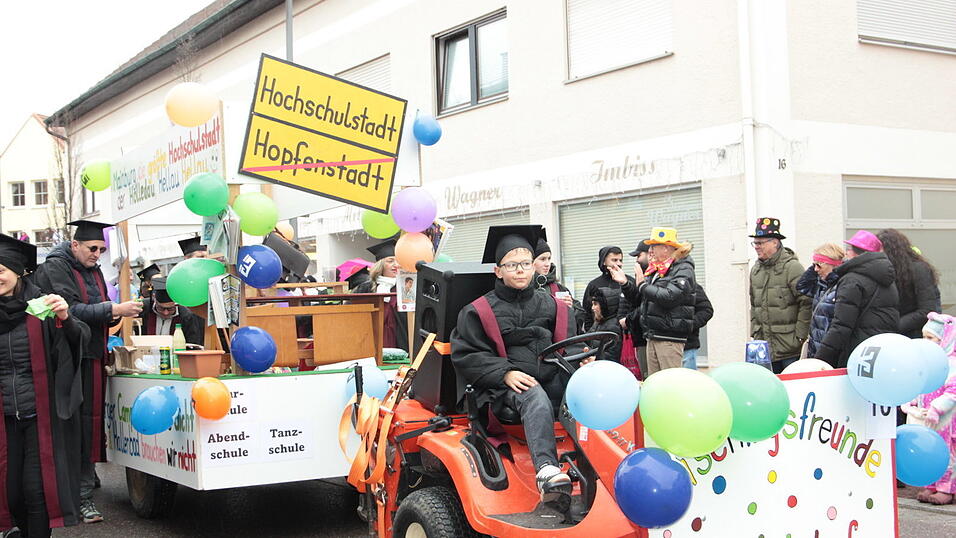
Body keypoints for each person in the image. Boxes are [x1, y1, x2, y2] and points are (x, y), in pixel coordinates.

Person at [451, 225, 585, 501]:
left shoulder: (553, 306)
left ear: (535, 268)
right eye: (512, 265)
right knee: (532, 392)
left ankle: (599, 463)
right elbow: (468, 354)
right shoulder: (478, 311)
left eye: (526, 263)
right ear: (498, 271)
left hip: (552, 376)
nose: (520, 270)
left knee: (589, 388)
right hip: (503, 392)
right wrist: (505, 373)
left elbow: (569, 343)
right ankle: (547, 469)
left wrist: (584, 359)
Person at [32, 220, 143, 524]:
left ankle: (83, 481)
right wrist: (115, 310)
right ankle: (79, 496)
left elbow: (94, 309)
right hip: (68, 359)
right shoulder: (55, 269)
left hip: (92, 354)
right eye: (92, 248)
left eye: (101, 249)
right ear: (75, 245)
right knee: (75, 426)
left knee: (90, 424)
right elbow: (72, 311)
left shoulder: (93, 270)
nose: (97, 253)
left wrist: (110, 312)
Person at [0, 233, 89, 536]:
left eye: (1, 269)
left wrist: (66, 318)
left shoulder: (42, 307)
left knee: (36, 492)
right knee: (11, 494)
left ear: (17, 270)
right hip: (4, 420)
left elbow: (77, 343)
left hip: (40, 419)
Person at [611, 228, 696, 375]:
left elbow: (670, 296)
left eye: (654, 246)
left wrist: (643, 285)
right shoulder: (657, 269)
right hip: (653, 335)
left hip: (669, 338)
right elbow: (640, 299)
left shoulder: (683, 269)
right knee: (654, 384)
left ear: (666, 248)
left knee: (670, 385)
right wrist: (625, 283)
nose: (651, 250)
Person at [814, 232, 899, 368]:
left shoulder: (851, 280)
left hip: (857, 353)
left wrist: (820, 359)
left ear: (854, 253)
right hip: (881, 350)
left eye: (848, 250)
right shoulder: (888, 278)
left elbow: (842, 325)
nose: (846, 254)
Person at [902, 313, 956, 506]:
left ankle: (946, 488)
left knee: (946, 453)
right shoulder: (928, 363)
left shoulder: (952, 364)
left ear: (946, 339)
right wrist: (913, 403)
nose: (926, 342)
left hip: (947, 422)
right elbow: (920, 386)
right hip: (928, 419)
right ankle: (932, 483)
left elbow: (953, 391)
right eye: (924, 337)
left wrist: (937, 407)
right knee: (930, 451)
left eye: (931, 338)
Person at [748, 217, 811, 373]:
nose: (756, 247)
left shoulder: (792, 267)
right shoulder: (755, 270)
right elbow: (753, 304)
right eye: (755, 243)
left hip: (789, 347)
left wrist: (800, 336)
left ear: (775, 242)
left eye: (760, 243)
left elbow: (807, 302)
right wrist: (754, 331)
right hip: (763, 348)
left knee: (791, 389)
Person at [876, 229, 942, 338]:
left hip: (914, 335)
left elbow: (927, 310)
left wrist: (894, 326)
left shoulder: (919, 269)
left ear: (892, 250)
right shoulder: (886, 270)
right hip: (893, 333)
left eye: (881, 249)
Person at [351, 240, 408, 350]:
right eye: (390, 261)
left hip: (400, 342)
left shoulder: (406, 287)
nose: (396, 265)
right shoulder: (366, 288)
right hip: (372, 340)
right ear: (380, 265)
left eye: (398, 261)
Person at [796, 243, 845, 359]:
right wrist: (816, 265)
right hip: (816, 347)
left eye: (819, 265)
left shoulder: (842, 286)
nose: (815, 269)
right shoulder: (822, 285)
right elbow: (801, 286)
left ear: (832, 265)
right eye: (814, 265)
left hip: (829, 351)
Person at [532, 236, 586, 331]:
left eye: (549, 258)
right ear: (531, 261)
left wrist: (570, 309)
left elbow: (580, 317)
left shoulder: (560, 288)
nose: (547, 263)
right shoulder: (522, 288)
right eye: (542, 259)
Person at [134, 277, 204, 345]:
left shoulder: (186, 316)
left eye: (170, 309)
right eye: (161, 308)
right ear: (154, 300)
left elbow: (192, 342)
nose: (165, 313)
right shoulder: (142, 309)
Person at [582, 246, 632, 332]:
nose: (619, 263)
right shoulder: (594, 285)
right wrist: (591, 334)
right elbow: (587, 314)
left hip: (627, 335)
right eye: (614, 260)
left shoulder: (629, 282)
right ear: (604, 261)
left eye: (620, 260)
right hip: (602, 335)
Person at [626, 239, 652, 377]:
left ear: (649, 254)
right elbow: (636, 302)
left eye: (638, 256)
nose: (636, 261)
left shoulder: (658, 277)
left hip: (653, 338)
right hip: (641, 337)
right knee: (647, 376)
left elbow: (647, 306)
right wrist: (625, 284)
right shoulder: (639, 277)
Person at [683, 283, 713, 370]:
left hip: (687, 345)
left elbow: (707, 310)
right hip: (662, 344)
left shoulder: (692, 286)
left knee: (689, 380)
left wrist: (689, 325)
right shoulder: (657, 282)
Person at [589, 287, 622, 363]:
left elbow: (613, 356)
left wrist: (595, 359)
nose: (592, 308)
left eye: (595, 304)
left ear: (604, 306)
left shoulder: (613, 327)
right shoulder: (598, 323)